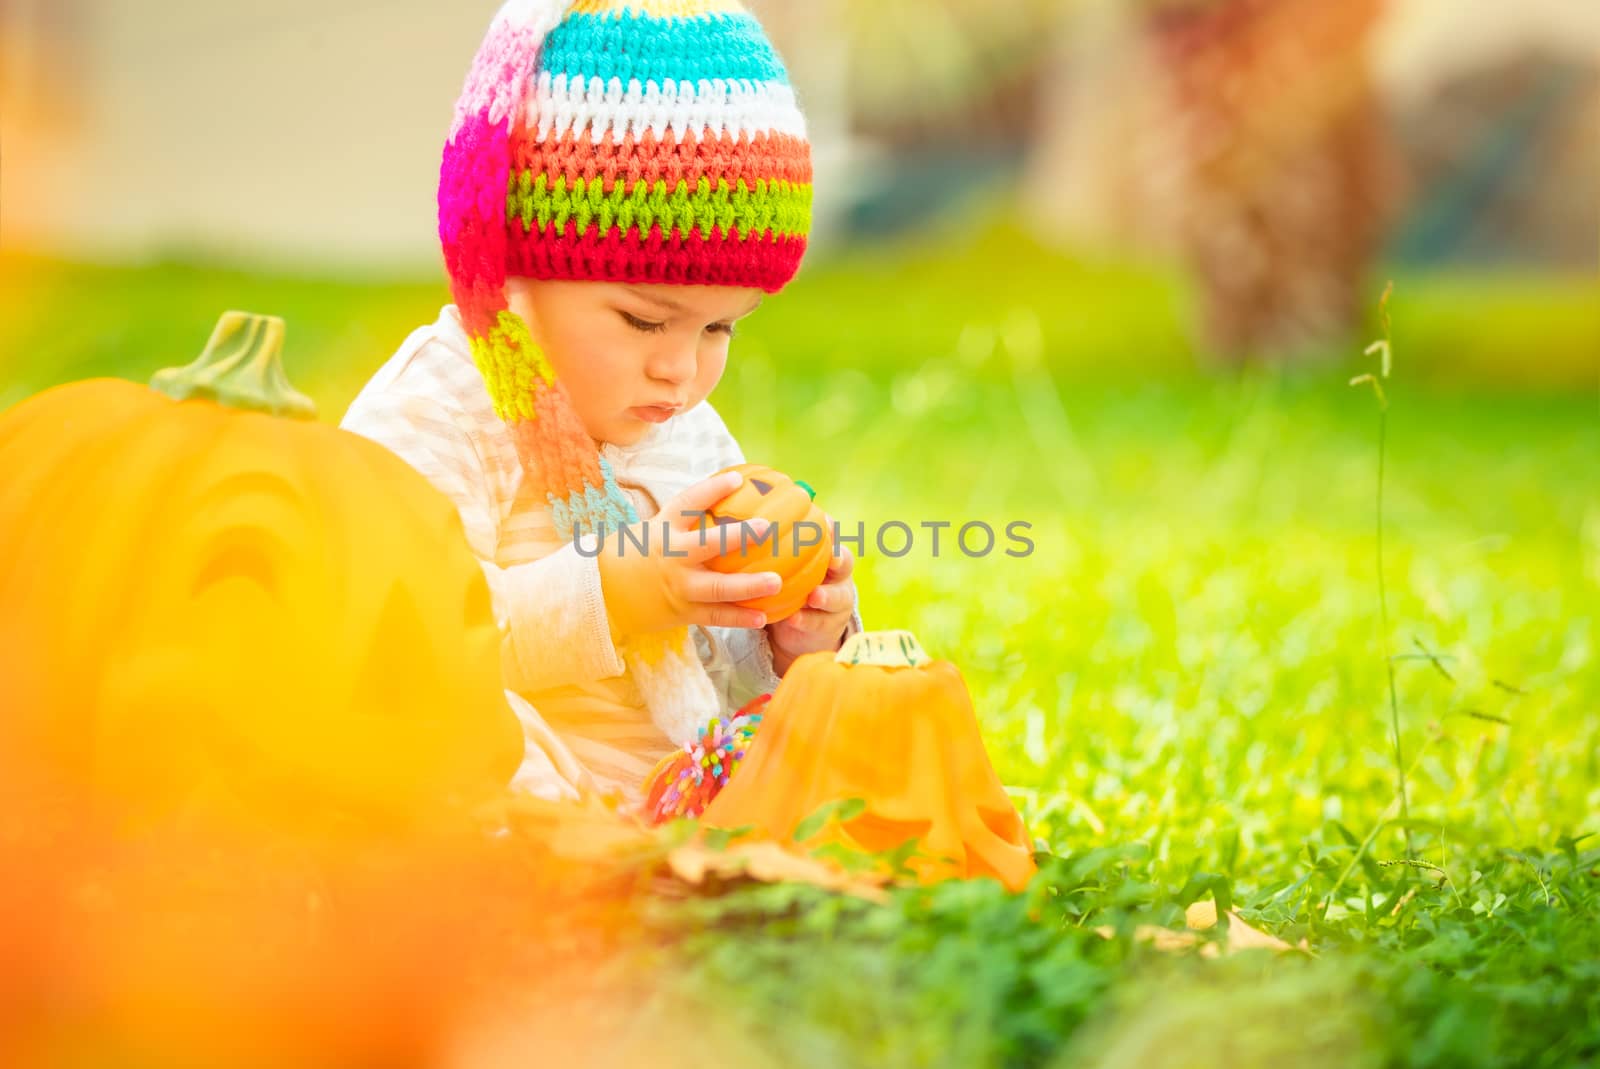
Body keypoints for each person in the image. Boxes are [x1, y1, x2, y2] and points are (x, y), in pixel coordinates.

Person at [341, 0, 860, 806]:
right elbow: (398, 634)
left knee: (869, 721)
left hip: (671, 793)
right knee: (428, 729)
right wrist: (615, 590)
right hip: (522, 790)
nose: (680, 370)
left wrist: (791, 639)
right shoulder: (441, 406)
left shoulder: (687, 430)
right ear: (514, 274)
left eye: (721, 326)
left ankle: (705, 842)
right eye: (645, 319)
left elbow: (712, 668)